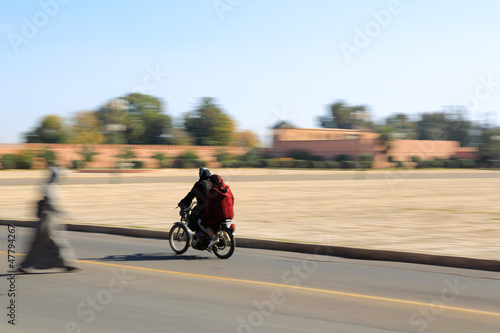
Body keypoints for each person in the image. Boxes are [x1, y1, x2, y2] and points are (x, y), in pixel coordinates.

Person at [18, 167, 78, 273]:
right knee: (52, 243)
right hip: (47, 221)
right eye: (60, 176)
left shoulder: (53, 187)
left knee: (52, 243)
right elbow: (50, 204)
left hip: (52, 220)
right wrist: (62, 213)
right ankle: (64, 263)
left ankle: (64, 263)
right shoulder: (47, 187)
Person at [198, 174, 235, 249]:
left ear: (212, 182)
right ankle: (225, 235)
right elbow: (233, 200)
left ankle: (213, 237)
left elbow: (209, 206)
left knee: (201, 222)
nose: (209, 183)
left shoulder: (213, 191)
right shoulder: (228, 189)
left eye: (210, 182)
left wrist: (205, 216)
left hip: (220, 215)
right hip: (230, 214)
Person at [178, 167, 211, 232]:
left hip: (203, 208)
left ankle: (199, 234)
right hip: (213, 208)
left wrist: (183, 203)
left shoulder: (199, 184)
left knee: (193, 218)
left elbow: (190, 195)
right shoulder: (212, 183)